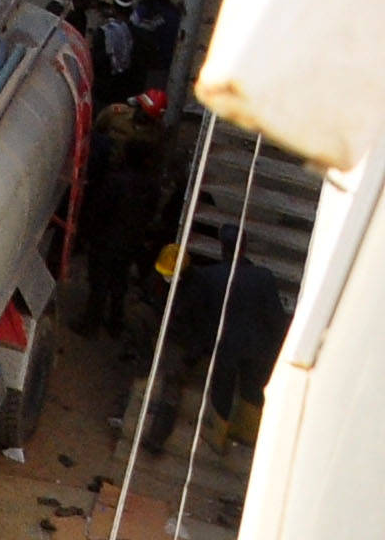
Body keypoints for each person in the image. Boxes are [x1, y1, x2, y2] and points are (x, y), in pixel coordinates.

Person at [141, 223, 291, 458]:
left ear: (223, 248)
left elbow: (199, 316)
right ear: (244, 248)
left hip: (225, 346)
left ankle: (218, 437)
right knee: (252, 389)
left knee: (223, 388)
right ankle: (247, 436)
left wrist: (197, 348)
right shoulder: (264, 277)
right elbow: (276, 317)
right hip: (257, 347)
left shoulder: (208, 276)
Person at [73, 89, 167, 341]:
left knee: (102, 281)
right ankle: (114, 323)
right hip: (128, 236)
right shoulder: (116, 115)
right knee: (119, 282)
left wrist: (89, 231)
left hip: (109, 235)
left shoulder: (118, 182)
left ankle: (93, 323)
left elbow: (100, 209)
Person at [128, 0, 184, 97]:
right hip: (160, 65)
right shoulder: (173, 14)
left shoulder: (143, 8)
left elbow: (130, 26)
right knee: (152, 98)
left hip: (139, 61)